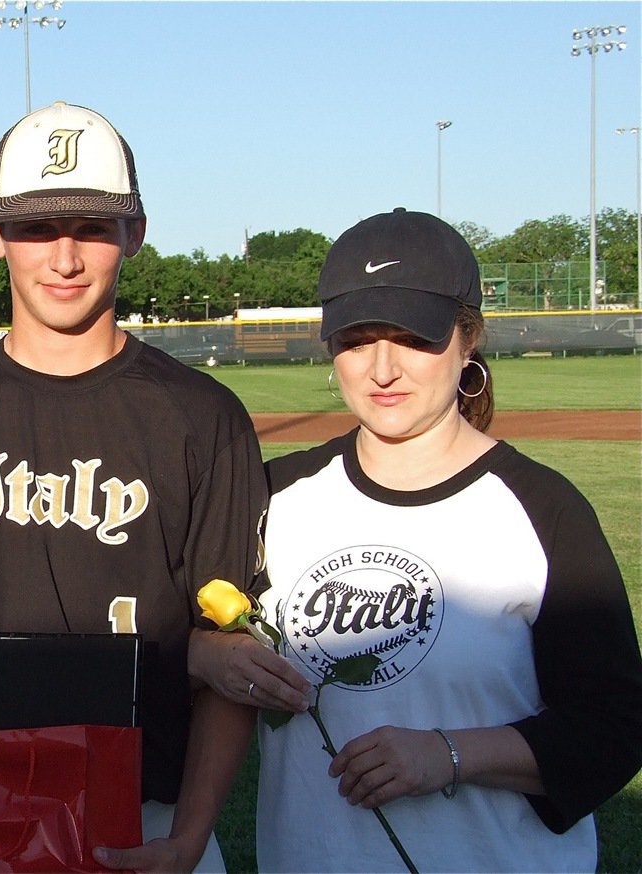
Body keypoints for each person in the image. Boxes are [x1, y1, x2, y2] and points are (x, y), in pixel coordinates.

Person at [0, 101, 267, 872]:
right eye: (36, 228)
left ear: (134, 233)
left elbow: (227, 654)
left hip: (149, 823)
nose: (64, 257)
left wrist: (192, 837)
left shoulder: (204, 418)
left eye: (92, 228)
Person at [190, 208, 642, 871]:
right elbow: (180, 633)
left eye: (412, 338)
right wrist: (207, 656)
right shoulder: (273, 495)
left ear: (468, 340)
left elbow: (617, 726)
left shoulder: (542, 508)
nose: (381, 369)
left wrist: (446, 754)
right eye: (357, 339)